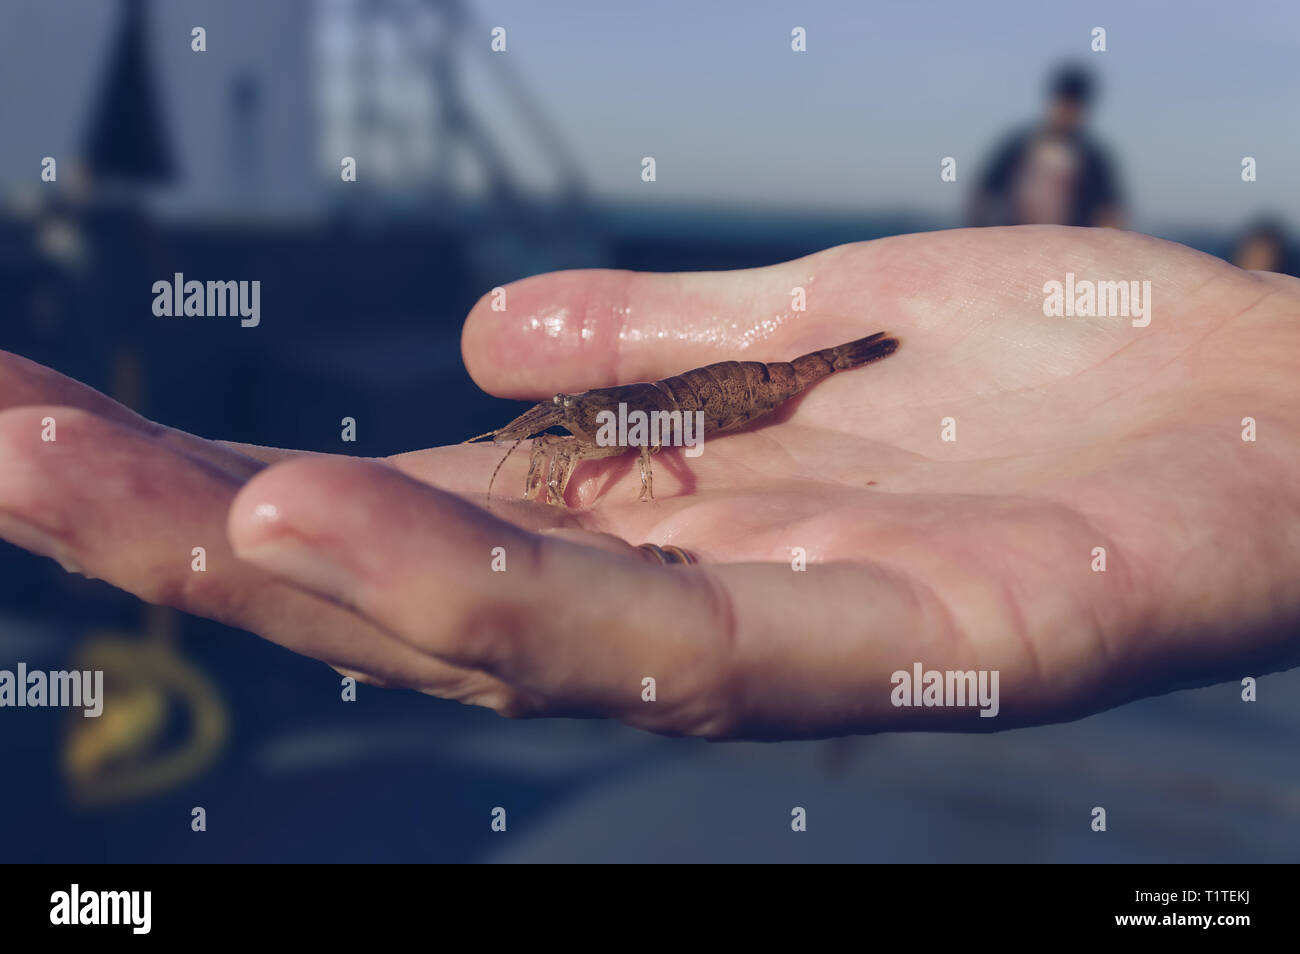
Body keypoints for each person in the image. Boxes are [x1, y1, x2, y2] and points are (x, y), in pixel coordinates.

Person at [0, 227, 1297, 739]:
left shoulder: (661, 418)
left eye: (562, 435)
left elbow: (639, 442)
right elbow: (590, 437)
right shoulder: (582, 425)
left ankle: (826, 367)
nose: (555, 442)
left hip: (732, 392)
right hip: (699, 399)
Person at [969, 65, 1125, 229]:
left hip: (1072, 246)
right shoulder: (1019, 145)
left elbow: (1109, 210)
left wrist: (1106, 244)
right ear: (1053, 102)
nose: (1068, 113)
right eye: (1065, 104)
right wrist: (983, 232)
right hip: (1017, 241)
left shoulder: (1093, 157)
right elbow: (984, 193)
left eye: (1074, 107)